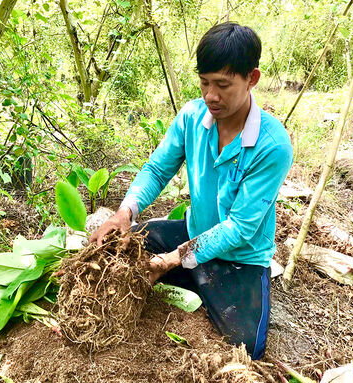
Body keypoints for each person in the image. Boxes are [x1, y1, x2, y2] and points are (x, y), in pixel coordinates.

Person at [90, 22, 293, 360]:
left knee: (247, 347)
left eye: (223, 85)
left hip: (240, 259)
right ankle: (189, 272)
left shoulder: (272, 146)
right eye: (204, 82)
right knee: (127, 241)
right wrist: (125, 211)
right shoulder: (191, 117)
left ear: (251, 79)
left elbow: (239, 229)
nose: (210, 95)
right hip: (194, 232)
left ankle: (192, 274)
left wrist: (171, 260)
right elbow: (157, 169)